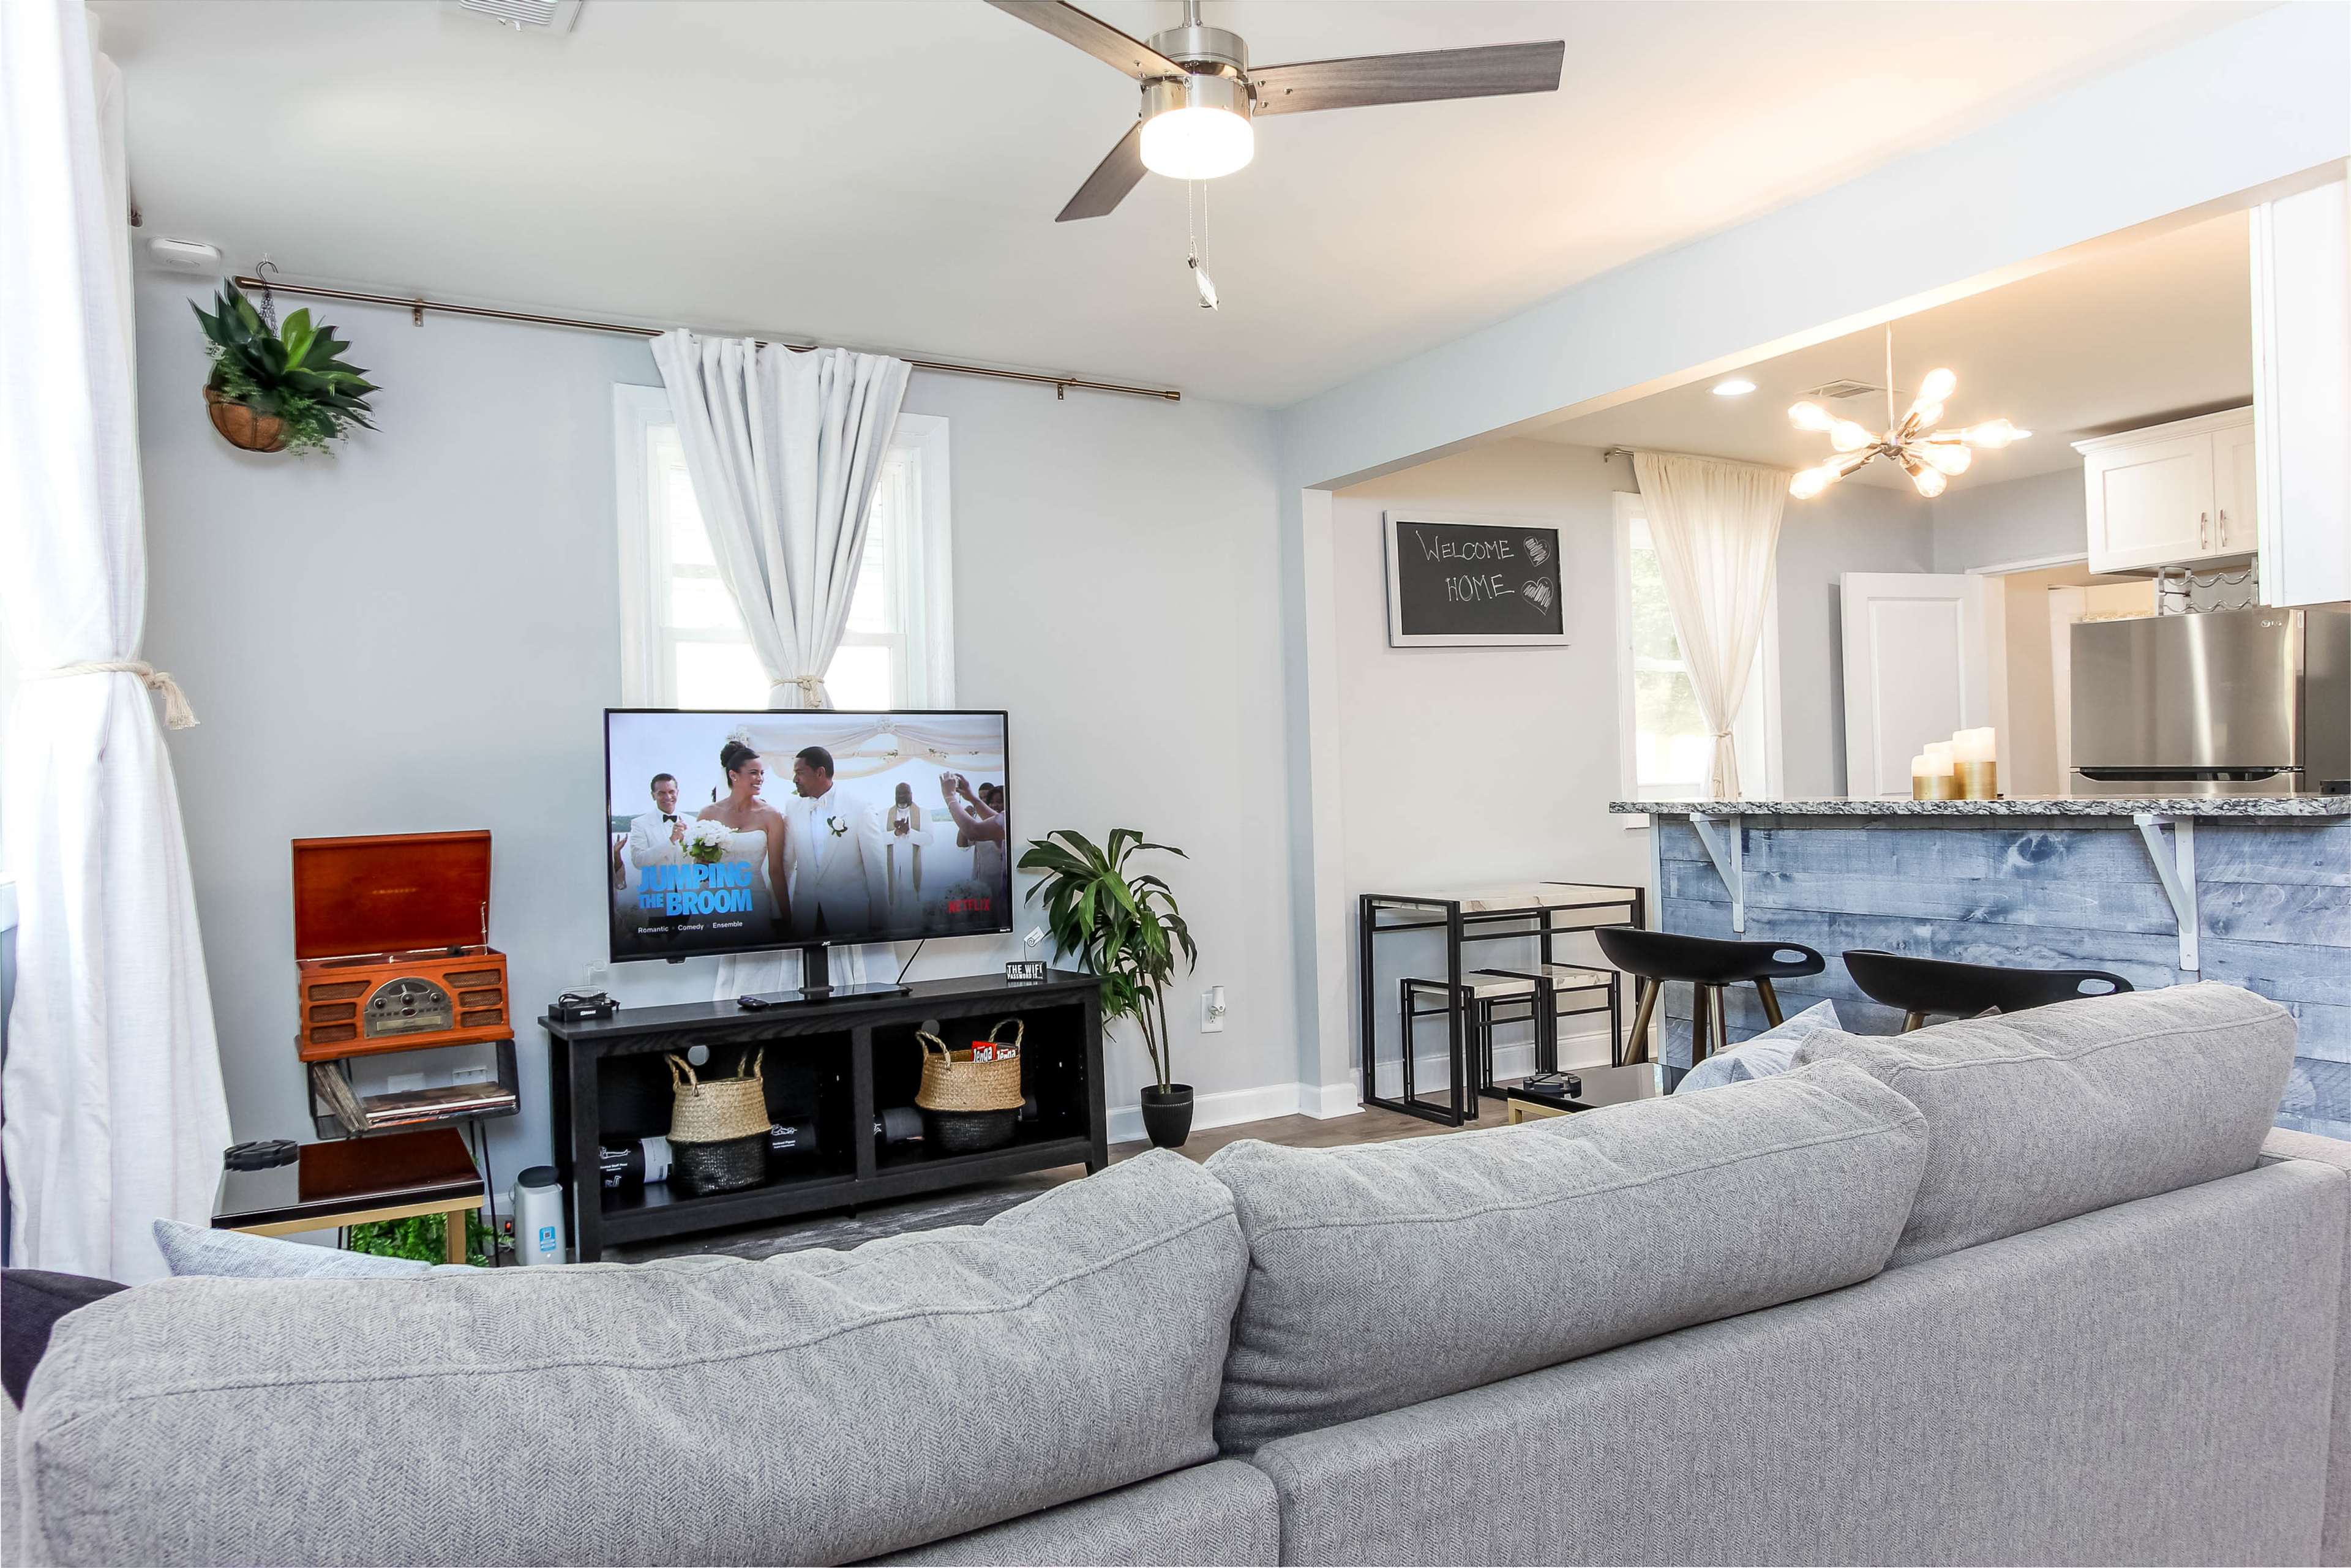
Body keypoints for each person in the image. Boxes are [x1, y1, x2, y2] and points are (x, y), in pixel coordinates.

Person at [784, 746, 888, 939]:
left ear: (820, 773)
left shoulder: (860, 807)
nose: (795, 779)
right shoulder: (792, 808)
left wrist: (879, 921)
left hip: (849, 916)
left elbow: (876, 867)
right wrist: (780, 913)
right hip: (805, 917)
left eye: (800, 773)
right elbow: (786, 865)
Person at [694, 741, 790, 935]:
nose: (760, 778)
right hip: (713, 900)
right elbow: (699, 870)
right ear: (733, 775)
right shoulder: (707, 814)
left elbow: (776, 871)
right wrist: (702, 861)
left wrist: (788, 919)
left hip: (753, 901)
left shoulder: (771, 816)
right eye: (754, 773)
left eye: (762, 773)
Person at [941, 773, 1008, 891]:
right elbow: (963, 842)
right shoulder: (998, 820)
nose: (994, 805)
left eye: (999, 801)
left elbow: (973, 831)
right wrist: (970, 798)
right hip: (983, 884)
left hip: (1004, 889)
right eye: (990, 801)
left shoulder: (1009, 818)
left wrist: (949, 797)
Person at [882, 781, 931, 921]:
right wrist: (895, 833)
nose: (902, 796)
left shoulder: (923, 813)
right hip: (891, 873)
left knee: (914, 912)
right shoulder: (884, 814)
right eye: (899, 793)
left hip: (914, 872)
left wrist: (909, 832)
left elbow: (929, 839)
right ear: (895, 795)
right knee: (892, 914)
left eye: (905, 793)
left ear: (911, 794)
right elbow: (877, 840)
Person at [625, 773, 689, 870]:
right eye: (662, 793)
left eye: (672, 792)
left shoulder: (693, 821)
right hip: (658, 885)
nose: (668, 797)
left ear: (677, 793)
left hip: (688, 884)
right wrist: (671, 840)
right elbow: (638, 862)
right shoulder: (640, 824)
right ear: (653, 795)